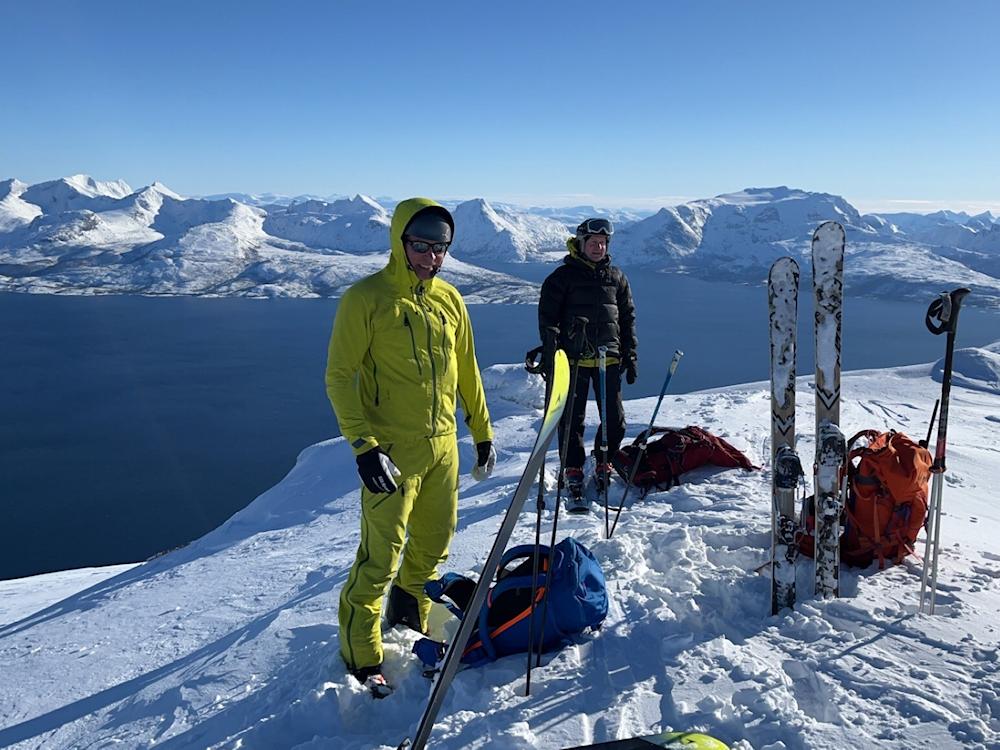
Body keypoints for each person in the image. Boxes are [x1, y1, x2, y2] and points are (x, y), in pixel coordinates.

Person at [325, 197, 496, 697]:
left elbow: (468, 368)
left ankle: (409, 608)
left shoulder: (449, 299)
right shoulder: (367, 298)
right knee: (380, 555)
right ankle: (362, 653)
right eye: (420, 245)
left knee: (434, 543)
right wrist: (364, 445)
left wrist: (481, 432)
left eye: (439, 248)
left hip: (444, 445)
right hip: (392, 451)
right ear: (399, 241)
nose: (430, 257)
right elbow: (338, 376)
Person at [538, 217, 637, 509]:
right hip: (573, 359)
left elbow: (627, 318)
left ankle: (604, 461)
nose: (598, 247)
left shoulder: (616, 277)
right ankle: (573, 468)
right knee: (572, 419)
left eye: (603, 243)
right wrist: (550, 352)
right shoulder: (561, 278)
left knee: (614, 419)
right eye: (593, 243)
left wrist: (631, 353)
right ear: (580, 244)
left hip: (609, 358)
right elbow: (548, 320)